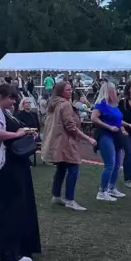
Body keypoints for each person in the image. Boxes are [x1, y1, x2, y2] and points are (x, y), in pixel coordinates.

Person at [0, 83, 41, 261]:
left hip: (14, 165)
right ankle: (10, 253)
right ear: (0, 96)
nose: (13, 101)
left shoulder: (5, 112)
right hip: (5, 167)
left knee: (19, 204)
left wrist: (25, 132)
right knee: (10, 206)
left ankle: (21, 247)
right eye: (10, 97)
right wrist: (17, 134)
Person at [43, 81, 96, 211]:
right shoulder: (65, 105)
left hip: (58, 141)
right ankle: (70, 200)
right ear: (61, 92)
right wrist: (88, 138)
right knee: (73, 167)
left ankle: (56, 195)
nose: (70, 91)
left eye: (71, 89)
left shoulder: (54, 104)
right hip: (66, 141)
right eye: (67, 90)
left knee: (61, 168)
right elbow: (71, 127)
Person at [91, 82, 128, 202]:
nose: (116, 91)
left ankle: (111, 187)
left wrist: (128, 126)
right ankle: (102, 191)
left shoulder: (114, 104)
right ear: (108, 91)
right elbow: (94, 118)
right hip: (105, 135)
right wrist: (108, 127)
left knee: (117, 164)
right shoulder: (101, 104)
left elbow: (118, 120)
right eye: (114, 89)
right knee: (110, 164)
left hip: (116, 135)